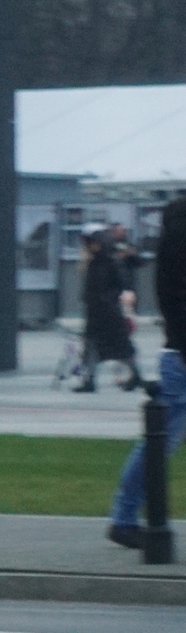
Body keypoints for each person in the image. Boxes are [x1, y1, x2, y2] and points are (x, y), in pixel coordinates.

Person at [110, 198, 186, 547]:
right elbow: (177, 299)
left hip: (178, 352)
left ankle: (125, 517)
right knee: (159, 442)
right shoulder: (180, 237)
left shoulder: (172, 235)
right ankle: (125, 518)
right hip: (182, 355)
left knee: (159, 443)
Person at [79, 226, 140, 393]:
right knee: (93, 345)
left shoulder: (109, 262)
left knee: (118, 346)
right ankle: (89, 380)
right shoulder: (96, 262)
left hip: (108, 311)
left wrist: (107, 298)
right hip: (98, 310)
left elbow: (121, 283)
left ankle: (135, 375)